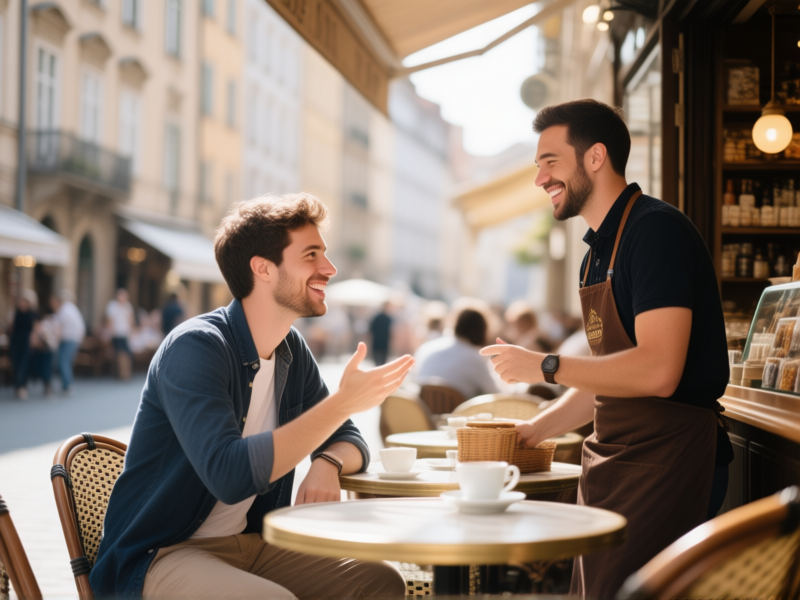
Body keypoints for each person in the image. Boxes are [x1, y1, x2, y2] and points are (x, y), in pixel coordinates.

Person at [90, 193, 414, 599]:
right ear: (262, 268)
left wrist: (327, 462)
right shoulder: (196, 348)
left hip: (250, 543)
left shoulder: (290, 350)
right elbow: (230, 476)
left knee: (380, 581)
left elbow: (350, 439)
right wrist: (340, 404)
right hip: (163, 554)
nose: (328, 269)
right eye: (311, 255)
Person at [481, 99, 732, 598]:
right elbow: (607, 374)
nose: (539, 179)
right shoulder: (596, 254)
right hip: (612, 462)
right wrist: (534, 430)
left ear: (595, 157)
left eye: (550, 162)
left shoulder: (654, 232)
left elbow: (658, 371)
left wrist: (545, 366)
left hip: (668, 461)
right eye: (537, 166)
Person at [414, 305, 499, 399]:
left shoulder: (426, 348)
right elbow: (495, 393)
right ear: (482, 330)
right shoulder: (475, 358)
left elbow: (413, 381)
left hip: (422, 412)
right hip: (457, 413)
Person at [50, 290, 85, 396]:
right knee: (64, 361)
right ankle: (66, 384)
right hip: (73, 339)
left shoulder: (65, 310)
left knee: (63, 361)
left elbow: (59, 328)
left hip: (70, 339)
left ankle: (67, 385)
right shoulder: (69, 308)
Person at [9, 290, 38, 400]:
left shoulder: (33, 314)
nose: (22, 303)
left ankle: (22, 386)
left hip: (26, 340)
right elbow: (12, 326)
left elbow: (36, 328)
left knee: (23, 363)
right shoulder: (16, 312)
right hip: (16, 339)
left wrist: (33, 339)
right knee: (15, 361)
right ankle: (17, 385)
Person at [105, 288, 135, 380]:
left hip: (125, 333)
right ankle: (121, 374)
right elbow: (110, 320)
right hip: (117, 333)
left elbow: (131, 319)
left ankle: (125, 373)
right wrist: (111, 331)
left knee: (125, 353)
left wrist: (131, 330)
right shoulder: (112, 306)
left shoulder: (128, 306)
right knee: (120, 353)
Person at [29, 311, 59, 396]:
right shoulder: (44, 325)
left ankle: (47, 387)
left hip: (47, 350)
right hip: (43, 350)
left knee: (46, 369)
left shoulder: (46, 325)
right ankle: (47, 387)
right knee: (44, 368)